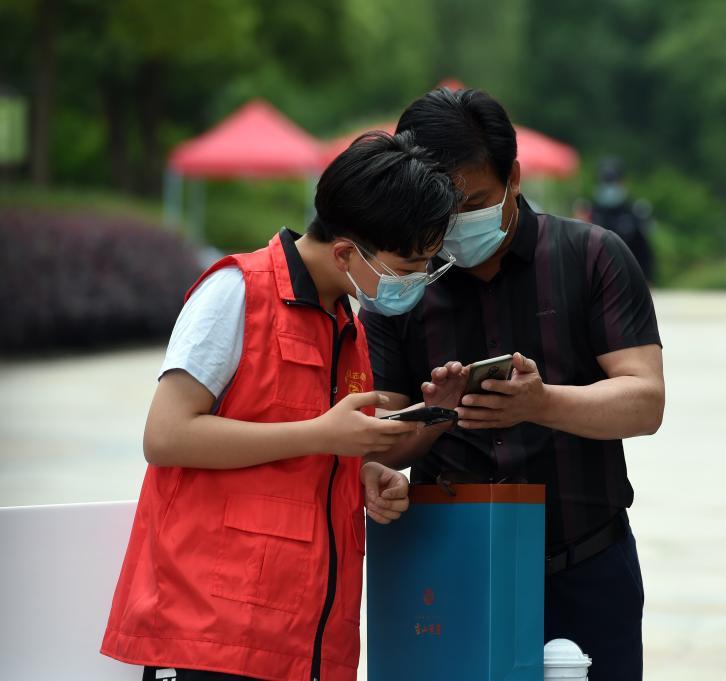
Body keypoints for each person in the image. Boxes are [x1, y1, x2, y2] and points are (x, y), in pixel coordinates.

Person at [101, 131, 460, 681]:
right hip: (210, 636)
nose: (416, 282)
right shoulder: (237, 291)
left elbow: (299, 453)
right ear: (345, 253)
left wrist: (361, 472)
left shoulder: (347, 324)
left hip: (304, 644)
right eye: (407, 267)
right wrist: (321, 436)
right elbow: (166, 435)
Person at [360, 88, 665, 681]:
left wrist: (540, 403)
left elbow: (644, 402)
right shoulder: (399, 285)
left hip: (585, 563)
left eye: (473, 203)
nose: (454, 224)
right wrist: (435, 416)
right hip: (449, 563)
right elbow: (378, 439)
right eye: (437, 208)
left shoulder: (591, 256)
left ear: (514, 179)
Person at [589, 157, 655, 283]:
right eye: (606, 181)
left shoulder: (635, 211)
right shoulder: (590, 212)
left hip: (630, 280)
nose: (609, 187)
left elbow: (644, 251)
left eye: (613, 181)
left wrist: (647, 279)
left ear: (623, 182)